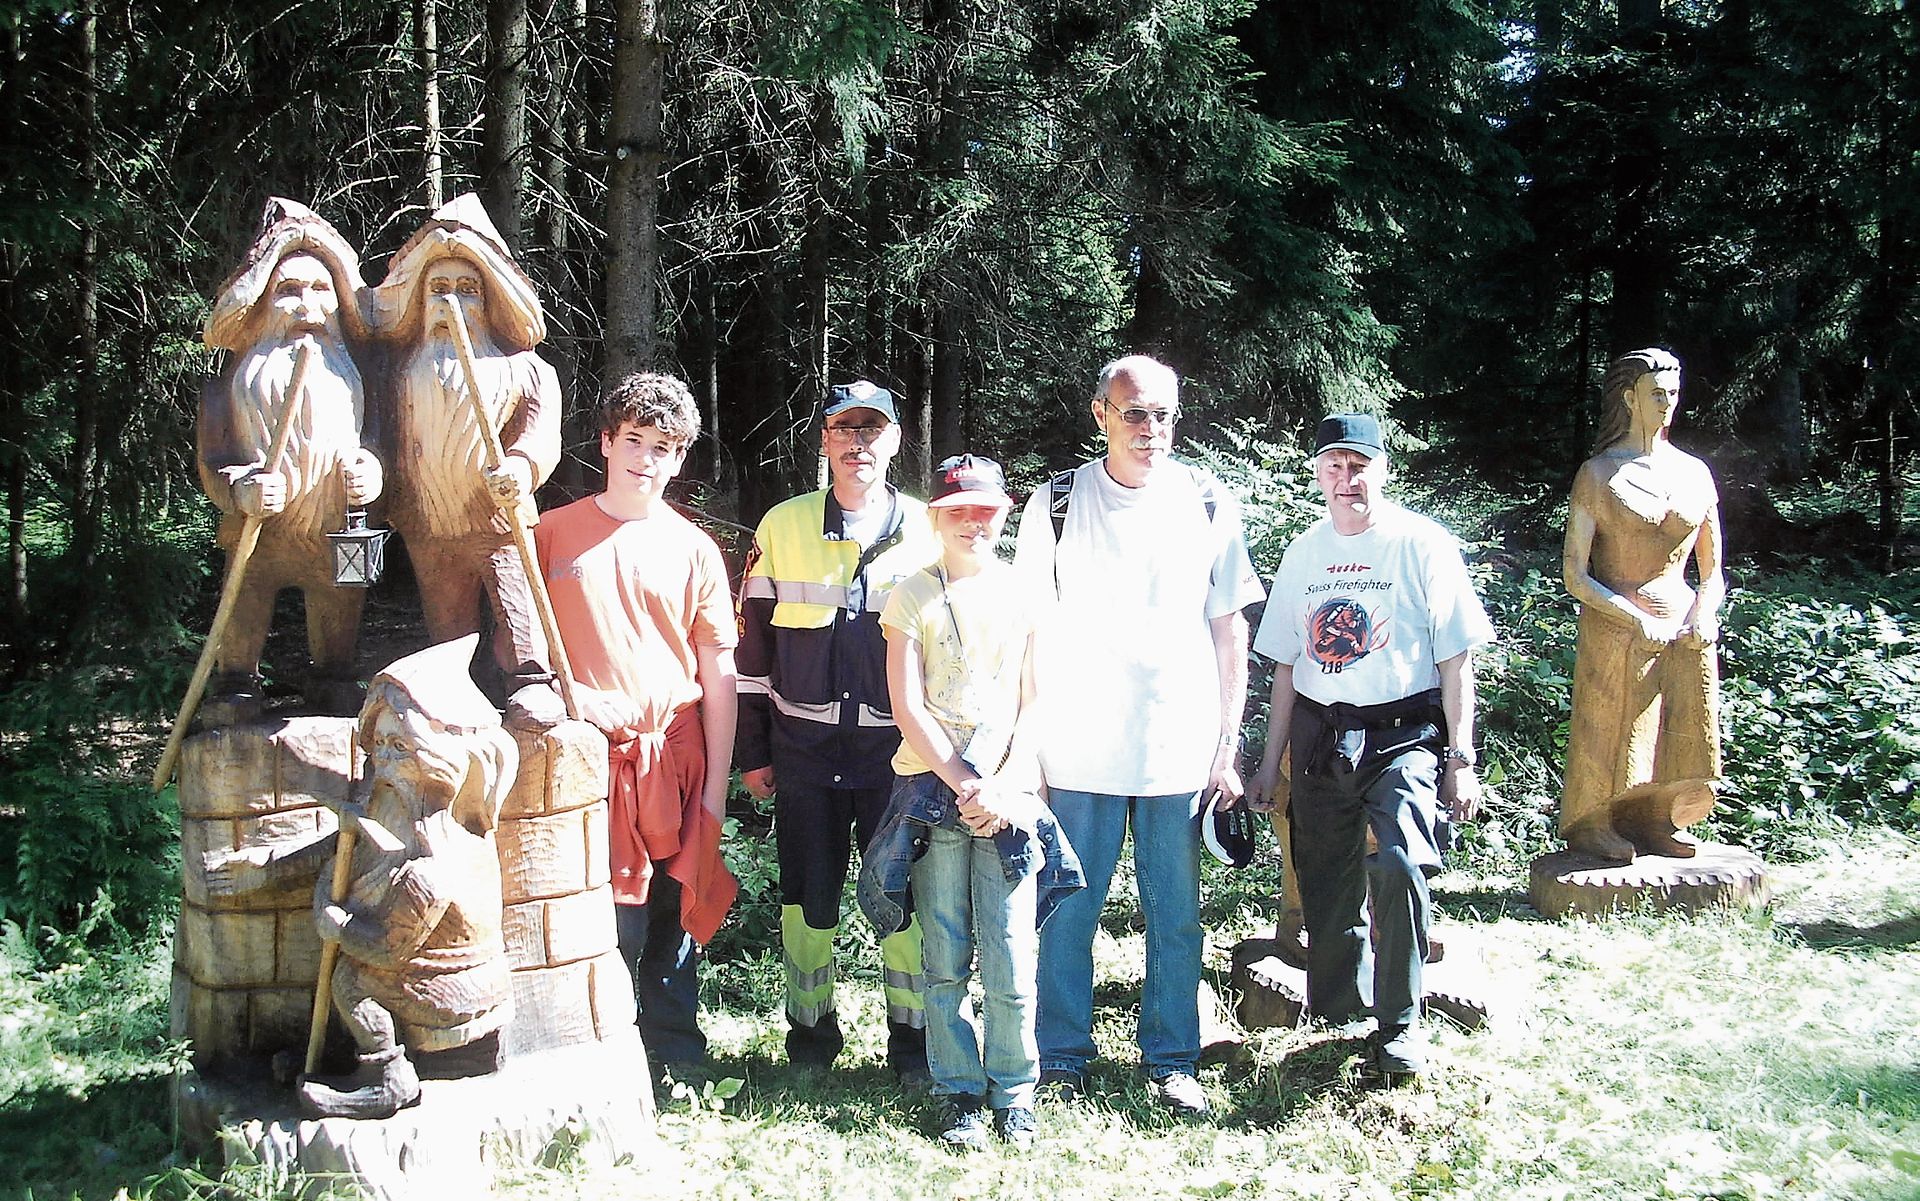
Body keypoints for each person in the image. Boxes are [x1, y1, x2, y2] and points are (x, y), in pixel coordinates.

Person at [1012, 354, 1265, 1116]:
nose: (1150, 429)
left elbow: (1229, 629)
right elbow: (1027, 631)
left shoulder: (1211, 501)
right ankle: (1059, 1054)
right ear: (1100, 413)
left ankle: (1171, 1059)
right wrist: (1026, 748)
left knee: (1175, 915)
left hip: (1177, 750)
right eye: (1133, 413)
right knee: (1066, 910)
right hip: (1076, 745)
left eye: (1163, 414)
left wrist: (1227, 745)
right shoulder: (1054, 503)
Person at [1246, 413, 1493, 1081]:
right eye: (1333, 465)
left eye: (1358, 465)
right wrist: (1270, 764)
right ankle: (1339, 1012)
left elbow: (1456, 661)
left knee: (1404, 864)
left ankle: (1400, 1022)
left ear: (1382, 469)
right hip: (1322, 736)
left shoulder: (1422, 545)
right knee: (1325, 878)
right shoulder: (1305, 551)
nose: (1345, 479)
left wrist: (1461, 759)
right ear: (1318, 472)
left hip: (1404, 734)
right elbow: (1289, 666)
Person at [535, 373, 739, 1078]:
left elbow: (717, 669)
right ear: (605, 442)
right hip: (585, 758)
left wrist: (716, 782)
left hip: (675, 755)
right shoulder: (551, 533)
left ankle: (676, 1054)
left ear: (679, 458)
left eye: (663, 447)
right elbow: (517, 651)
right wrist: (573, 696)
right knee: (602, 918)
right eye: (633, 441)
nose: (645, 458)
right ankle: (600, 1059)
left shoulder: (694, 548)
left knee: (674, 907)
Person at [735, 381, 938, 1082]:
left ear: (894, 441)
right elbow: (752, 657)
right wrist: (753, 751)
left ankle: (912, 1045)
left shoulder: (930, 530)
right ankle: (811, 1041)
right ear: (824, 439)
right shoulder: (781, 527)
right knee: (806, 904)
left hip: (899, 759)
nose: (858, 443)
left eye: (872, 430)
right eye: (843, 429)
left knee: (902, 905)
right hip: (804, 756)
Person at [870, 455, 1064, 1151]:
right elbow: (907, 704)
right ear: (936, 518)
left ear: (1003, 513)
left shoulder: (1025, 594)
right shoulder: (911, 596)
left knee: (1012, 951)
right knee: (945, 953)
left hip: (1007, 798)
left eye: (985, 509)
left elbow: (1035, 700)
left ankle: (1014, 1091)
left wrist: (1004, 787)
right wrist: (964, 784)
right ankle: (959, 1091)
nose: (972, 521)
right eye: (958, 510)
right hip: (931, 795)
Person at [368, 193, 562, 715]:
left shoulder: (526, 371)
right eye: (439, 290)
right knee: (446, 620)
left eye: (467, 290)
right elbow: (380, 438)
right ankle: (451, 691)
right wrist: (370, 470)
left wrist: (521, 468)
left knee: (517, 604)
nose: (451, 304)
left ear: (490, 301)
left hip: (497, 520)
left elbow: (542, 437)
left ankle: (530, 684)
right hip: (429, 523)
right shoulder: (397, 375)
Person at [198, 198, 383, 716]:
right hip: (258, 530)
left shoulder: (360, 375)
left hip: (336, 528)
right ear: (259, 304)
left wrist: (373, 470)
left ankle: (334, 676)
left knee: (341, 599)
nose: (309, 308)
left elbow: (381, 441)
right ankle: (237, 682)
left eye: (322, 291)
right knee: (246, 600)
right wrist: (238, 487)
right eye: (289, 292)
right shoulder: (226, 387)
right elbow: (212, 458)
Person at [1559, 349, 1724, 863]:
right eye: (1657, 394)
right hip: (1615, 623)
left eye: (1674, 393)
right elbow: (1575, 575)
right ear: (1630, 399)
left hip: (1681, 623)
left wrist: (1704, 613)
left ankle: (1658, 816)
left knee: (1683, 727)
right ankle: (1596, 822)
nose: (1668, 403)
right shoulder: (1598, 474)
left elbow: (1714, 571)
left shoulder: (1695, 473)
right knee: (1613, 729)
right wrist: (1632, 617)